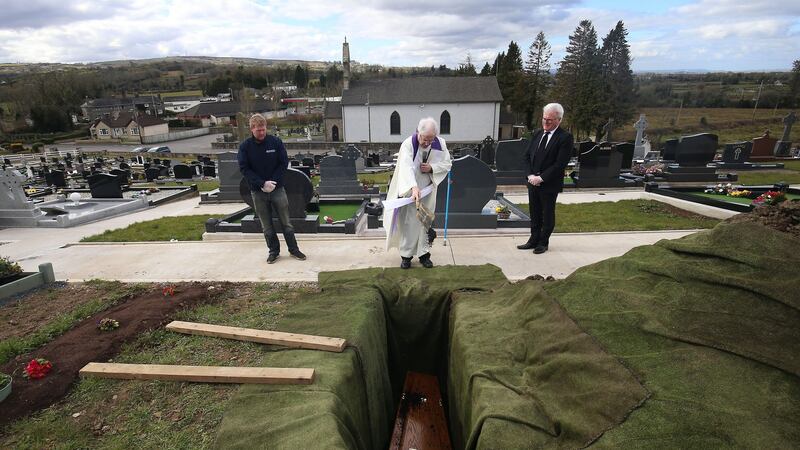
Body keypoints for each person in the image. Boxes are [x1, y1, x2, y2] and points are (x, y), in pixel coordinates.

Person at [384, 117, 452, 269]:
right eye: (424, 139)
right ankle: (406, 256)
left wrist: (432, 168)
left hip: (428, 191)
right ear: (417, 132)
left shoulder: (440, 144)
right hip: (410, 193)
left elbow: (447, 164)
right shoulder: (408, 144)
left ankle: (424, 254)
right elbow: (406, 167)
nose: (427, 143)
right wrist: (413, 187)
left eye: (430, 139)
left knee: (425, 222)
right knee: (409, 223)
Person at [238, 113, 306, 264]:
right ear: (251, 129)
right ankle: (274, 251)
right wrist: (262, 183)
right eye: (258, 130)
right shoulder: (245, 147)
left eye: (263, 129)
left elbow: (283, 163)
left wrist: (273, 182)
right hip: (258, 191)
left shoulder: (275, 142)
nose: (261, 133)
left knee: (286, 222)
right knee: (267, 225)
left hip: (277, 189)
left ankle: (293, 249)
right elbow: (245, 169)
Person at [517, 103, 573, 254]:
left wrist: (541, 178)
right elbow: (527, 157)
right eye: (544, 119)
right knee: (534, 212)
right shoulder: (537, 134)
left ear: (559, 120)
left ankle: (543, 242)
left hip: (549, 183)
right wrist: (530, 175)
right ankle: (533, 239)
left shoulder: (565, 138)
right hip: (532, 181)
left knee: (547, 213)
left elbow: (560, 164)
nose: (546, 122)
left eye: (550, 120)